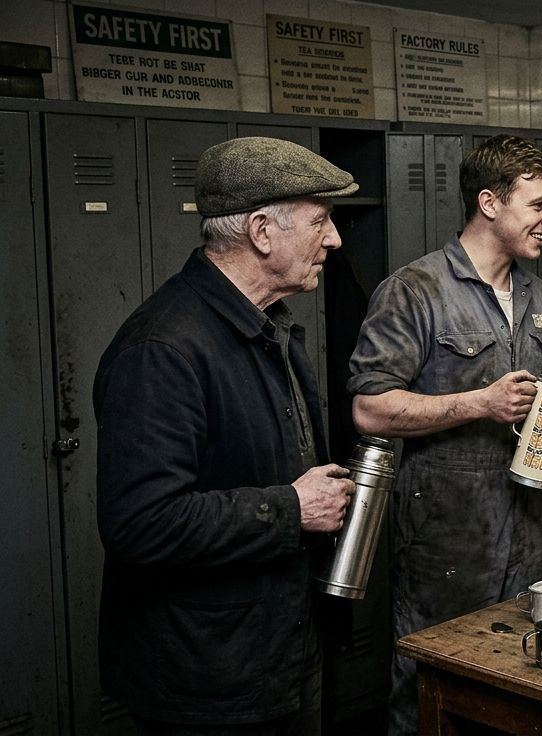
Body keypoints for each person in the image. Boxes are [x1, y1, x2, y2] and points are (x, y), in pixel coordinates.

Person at [348, 134, 542, 736]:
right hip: (448, 545)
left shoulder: (536, 295)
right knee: (430, 694)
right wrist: (479, 403)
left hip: (528, 539)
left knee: (518, 694)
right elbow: (370, 409)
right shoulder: (415, 292)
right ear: (490, 203)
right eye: (538, 205)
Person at [94, 137, 359, 734]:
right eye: (320, 221)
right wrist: (292, 507)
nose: (336, 240)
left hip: (283, 651)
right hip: (208, 681)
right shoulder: (162, 349)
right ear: (262, 232)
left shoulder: (270, 326)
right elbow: (139, 523)